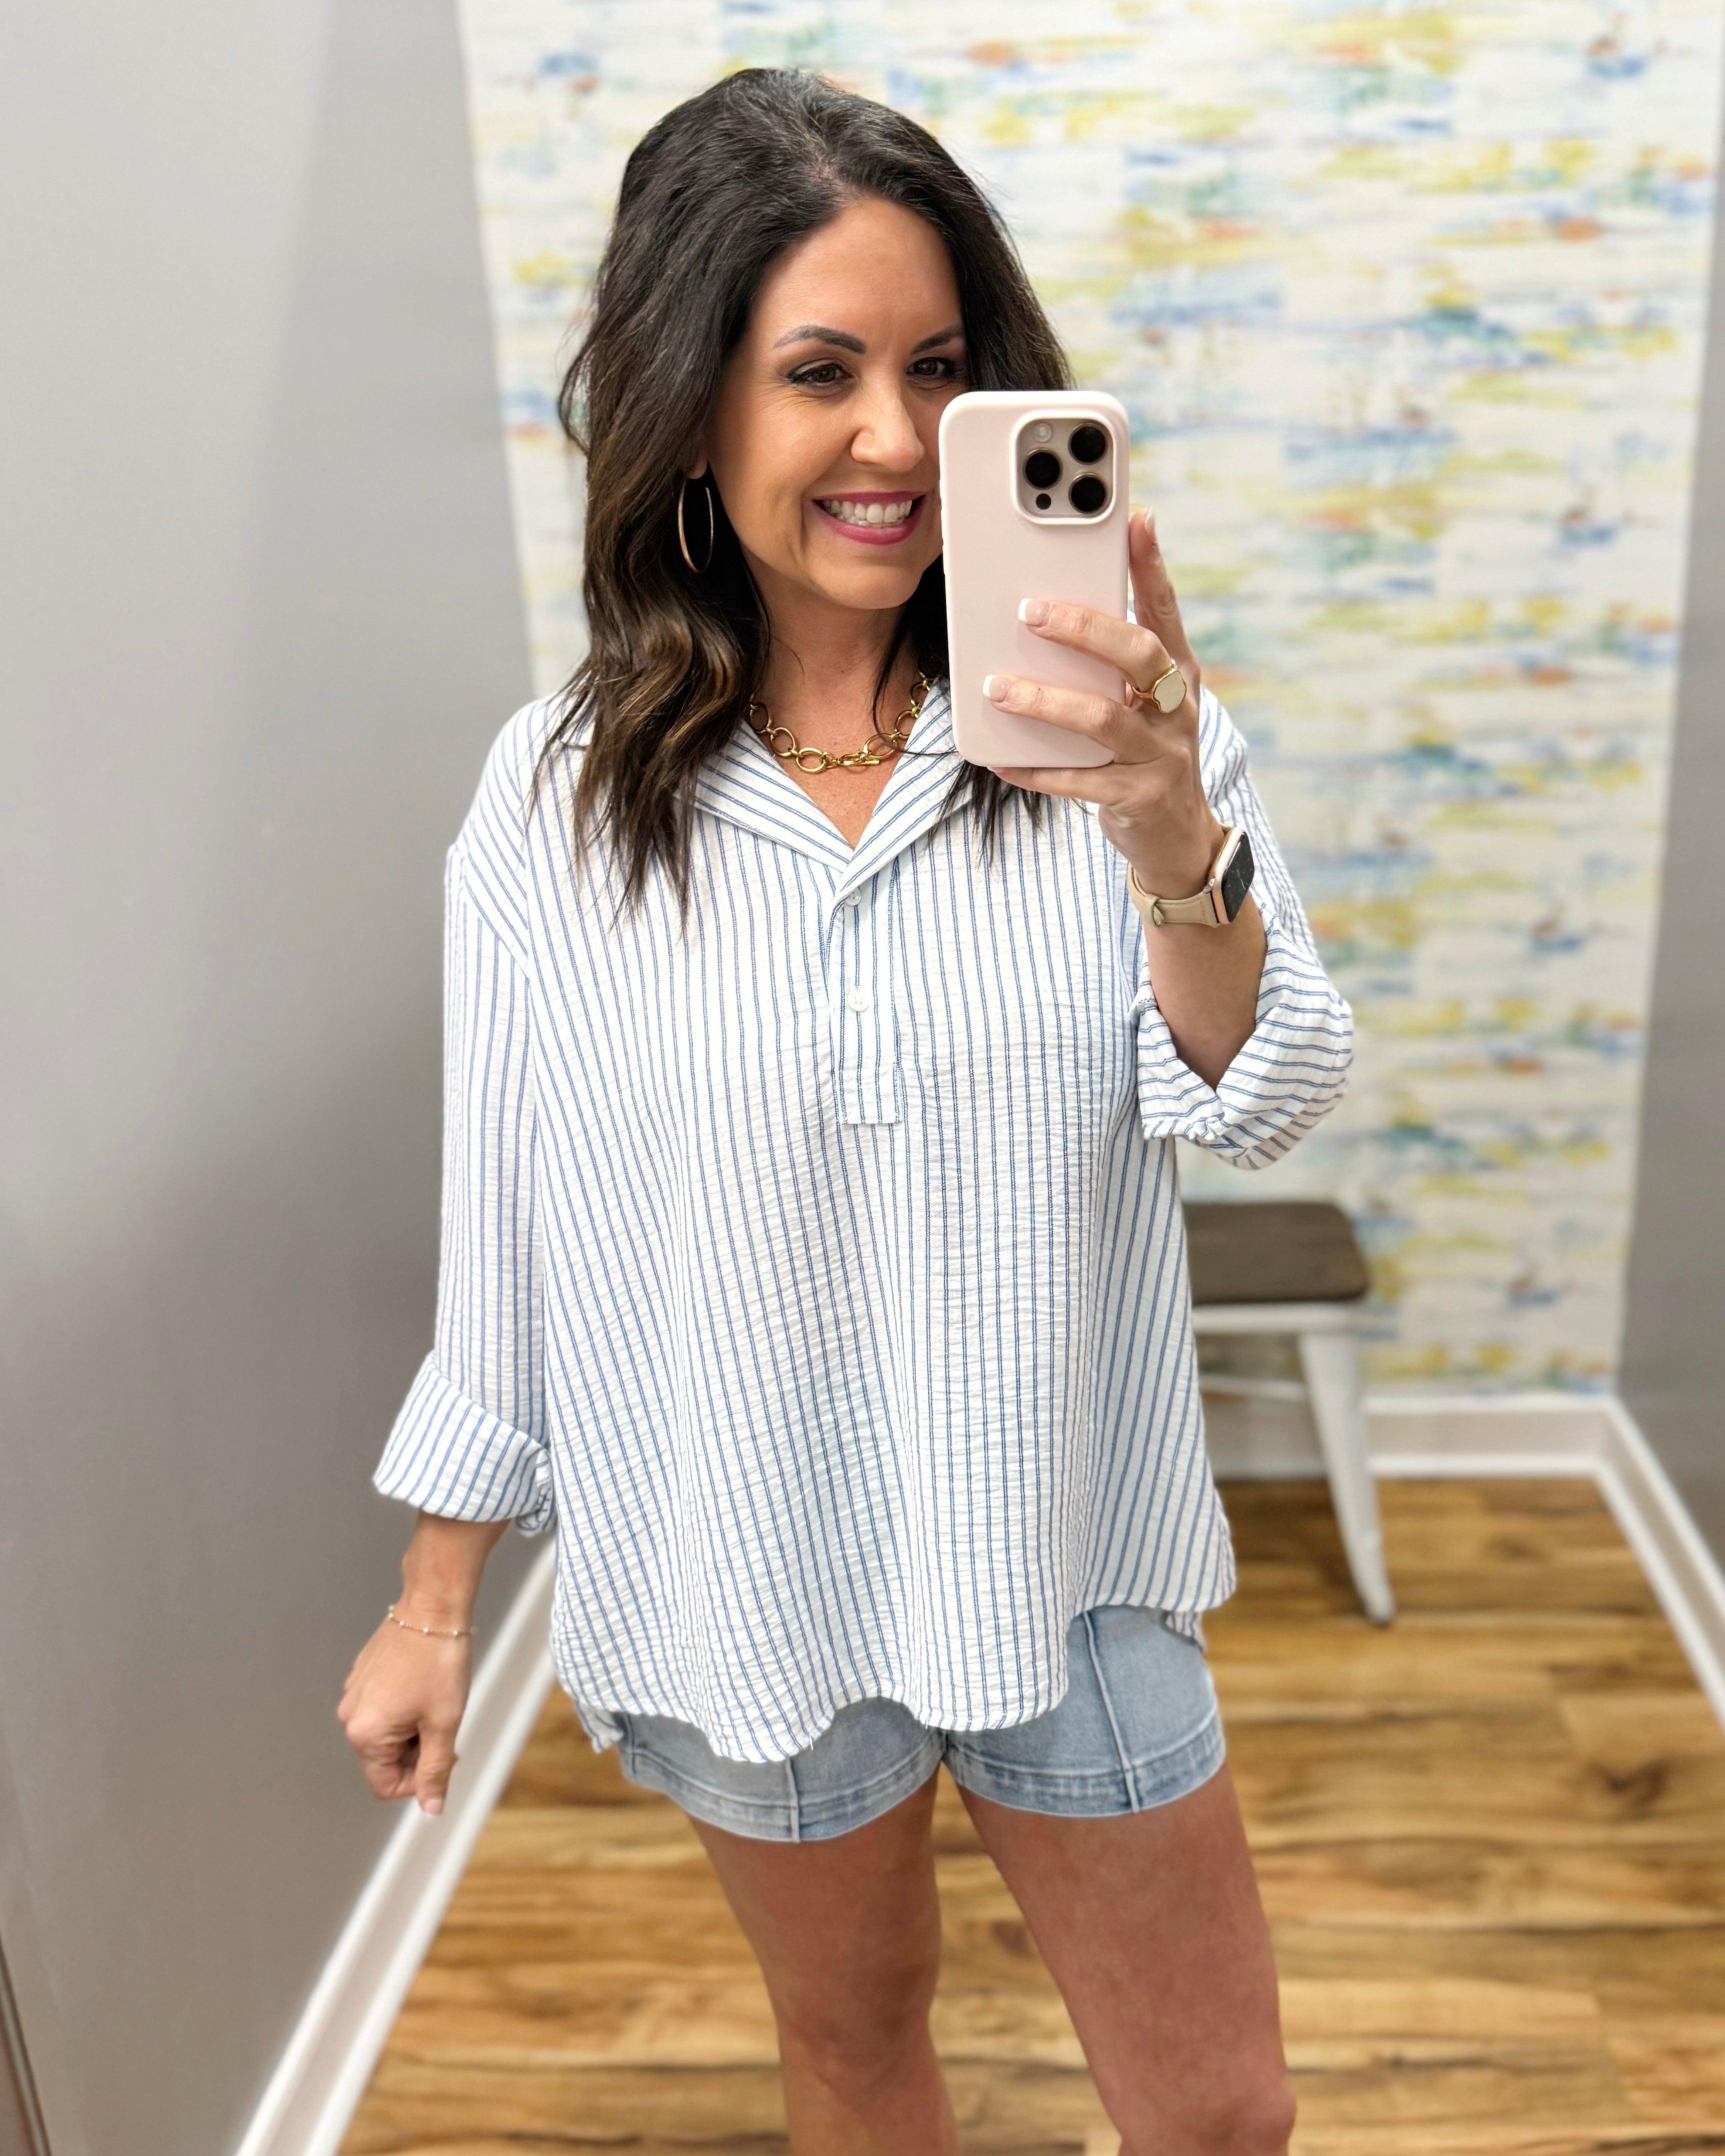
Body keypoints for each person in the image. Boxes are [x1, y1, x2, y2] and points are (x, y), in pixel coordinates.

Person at [338, 67, 1350, 2156]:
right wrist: (433, 1598)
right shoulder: (550, 806)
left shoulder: (1115, 738)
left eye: (937, 369)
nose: (892, 437)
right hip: (745, 1570)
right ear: (689, 404)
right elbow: (514, 1239)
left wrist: (1169, 830)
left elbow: (1259, 1095)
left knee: (1221, 2107)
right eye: (820, 372)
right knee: (857, 2056)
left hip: (1065, 1546)